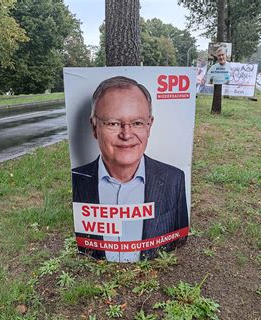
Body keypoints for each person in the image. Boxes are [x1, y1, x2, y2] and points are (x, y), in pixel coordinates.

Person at [72, 76, 189, 262]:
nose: (126, 134)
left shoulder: (174, 179)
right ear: (94, 127)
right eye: (113, 123)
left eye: (137, 123)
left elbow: (180, 241)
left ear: (149, 126)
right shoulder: (75, 181)